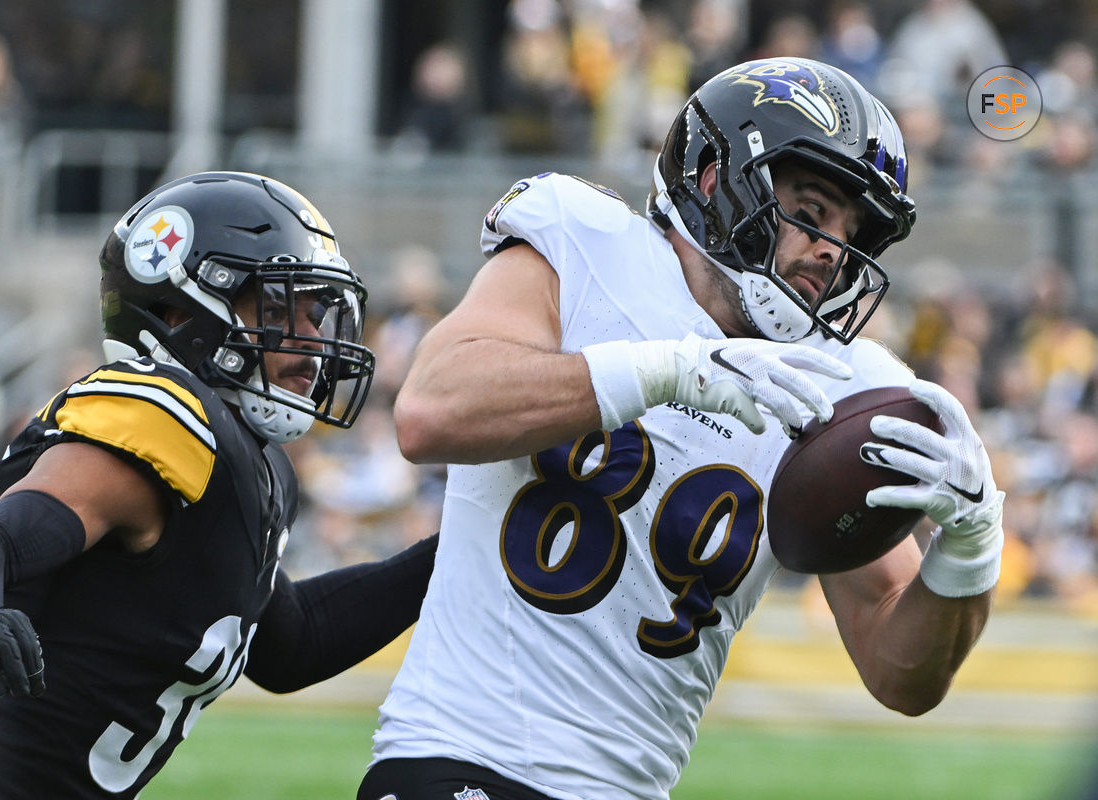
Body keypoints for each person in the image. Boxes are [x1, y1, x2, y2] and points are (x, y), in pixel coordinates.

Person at [357, 57, 1004, 800]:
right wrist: (674, 371)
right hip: (462, 758)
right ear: (716, 181)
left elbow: (900, 673)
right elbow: (431, 409)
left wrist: (972, 547)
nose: (833, 250)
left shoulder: (837, 386)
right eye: (815, 210)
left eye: (853, 231)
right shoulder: (590, 245)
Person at [0, 171, 438, 799]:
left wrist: (466, 546)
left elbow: (293, 643)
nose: (313, 340)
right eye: (279, 305)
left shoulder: (258, 471)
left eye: (317, 311)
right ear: (181, 311)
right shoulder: (163, 414)